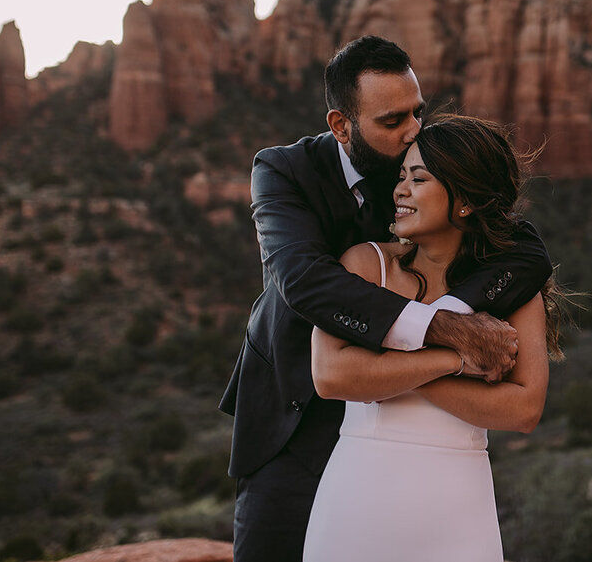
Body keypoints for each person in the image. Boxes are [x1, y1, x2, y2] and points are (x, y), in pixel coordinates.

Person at [219, 36, 553, 562]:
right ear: (341, 126)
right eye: (392, 120)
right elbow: (303, 279)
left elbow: (527, 252)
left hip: (409, 434)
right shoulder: (283, 171)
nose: (413, 131)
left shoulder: (418, 169)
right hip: (290, 414)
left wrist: (454, 314)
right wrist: (447, 334)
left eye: (417, 112)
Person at [303, 114, 570, 562]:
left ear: (464, 201)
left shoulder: (512, 292)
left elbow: (524, 409)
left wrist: (383, 368)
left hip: (458, 510)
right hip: (357, 503)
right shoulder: (367, 265)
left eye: (418, 178)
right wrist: (454, 358)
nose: (399, 190)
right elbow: (331, 376)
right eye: (401, 176)